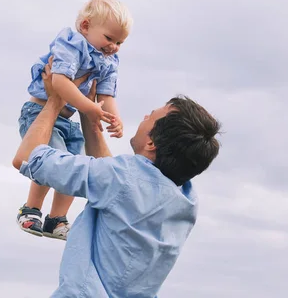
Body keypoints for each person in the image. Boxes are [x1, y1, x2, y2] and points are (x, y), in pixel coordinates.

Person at [12, 58, 222, 297]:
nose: (144, 116)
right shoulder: (186, 201)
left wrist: (56, 100)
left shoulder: (121, 178)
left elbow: (27, 158)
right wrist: (88, 113)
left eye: (149, 117)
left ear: (151, 142)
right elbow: (119, 182)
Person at [15, 0, 133, 240]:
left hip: (67, 120)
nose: (113, 46)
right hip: (40, 111)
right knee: (50, 159)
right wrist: (90, 109)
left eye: (120, 42)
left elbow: (105, 95)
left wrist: (115, 119)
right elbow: (59, 82)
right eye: (109, 38)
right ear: (86, 26)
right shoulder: (72, 43)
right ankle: (31, 209)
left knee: (77, 165)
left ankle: (56, 218)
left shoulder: (109, 60)